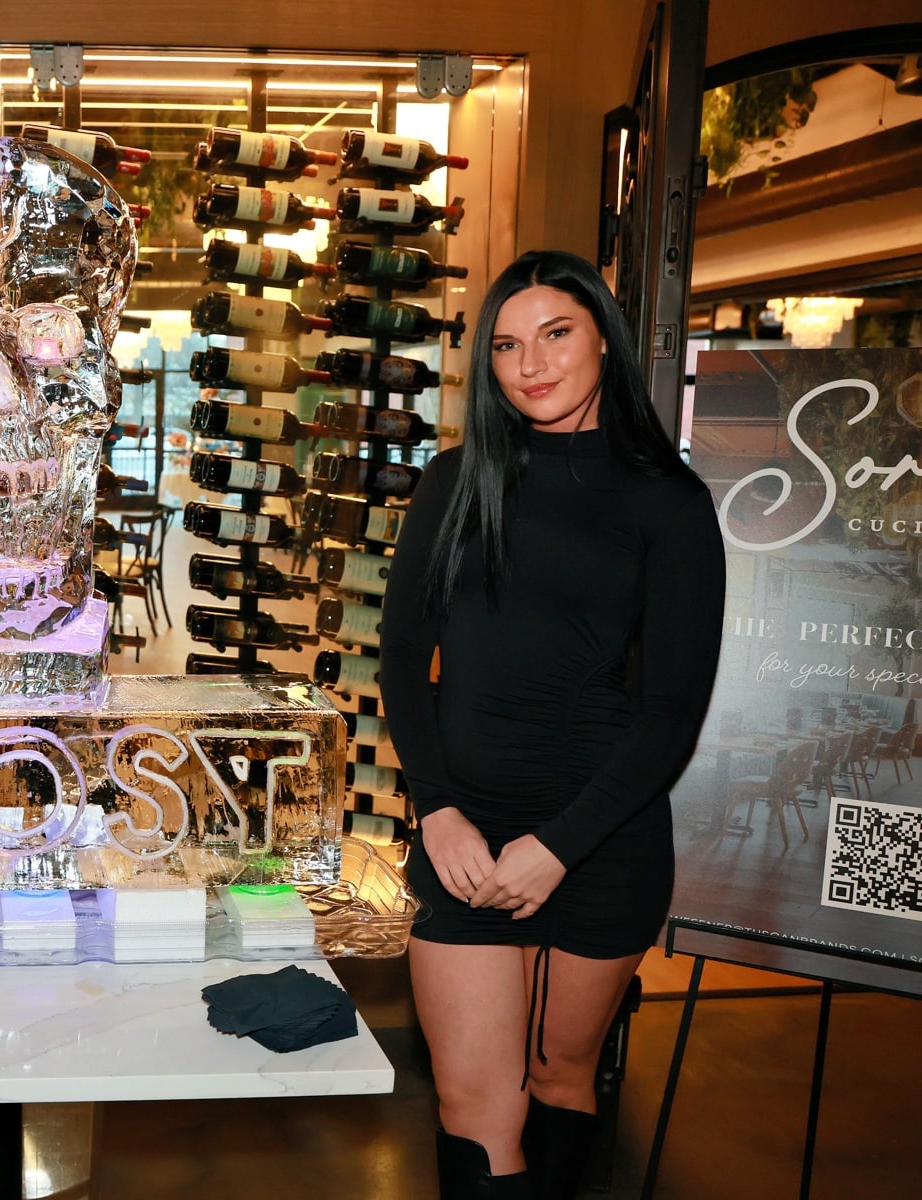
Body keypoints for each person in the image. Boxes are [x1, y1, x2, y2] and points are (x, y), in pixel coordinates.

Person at [380, 251, 724, 1199]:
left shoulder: (669, 502)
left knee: (561, 1077)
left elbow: (672, 714)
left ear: (603, 342)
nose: (530, 363)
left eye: (556, 334)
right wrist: (436, 808)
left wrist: (561, 848)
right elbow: (404, 658)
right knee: (474, 1109)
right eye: (505, 345)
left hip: (601, 839)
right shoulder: (456, 483)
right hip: (469, 831)